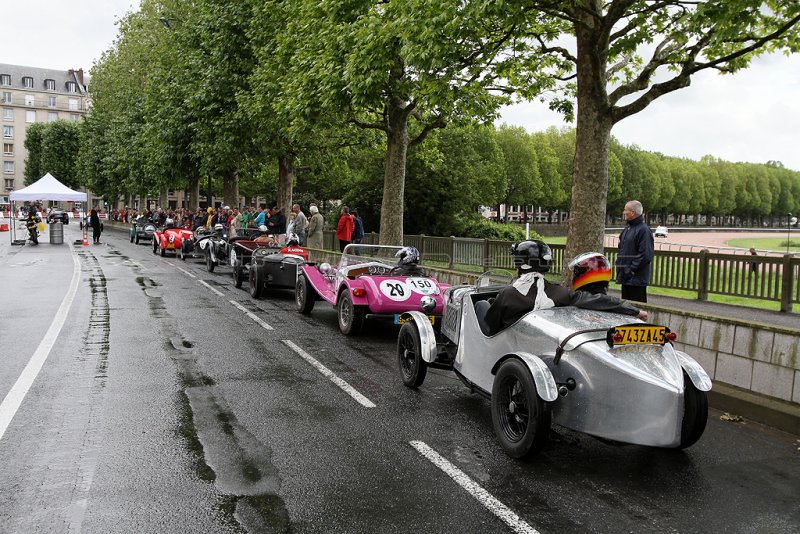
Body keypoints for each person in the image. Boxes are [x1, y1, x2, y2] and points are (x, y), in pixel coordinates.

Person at [484, 240, 647, 336]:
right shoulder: (559, 292)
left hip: (510, 345)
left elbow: (490, 327)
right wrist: (634, 311)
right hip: (541, 341)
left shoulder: (507, 294)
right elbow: (596, 300)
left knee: (480, 306)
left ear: (519, 264)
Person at [615, 200, 654, 303]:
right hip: (626, 278)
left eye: (625, 210)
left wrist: (630, 270)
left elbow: (645, 255)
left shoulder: (644, 230)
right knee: (626, 310)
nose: (623, 212)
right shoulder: (627, 229)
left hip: (636, 280)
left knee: (637, 311)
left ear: (632, 212)